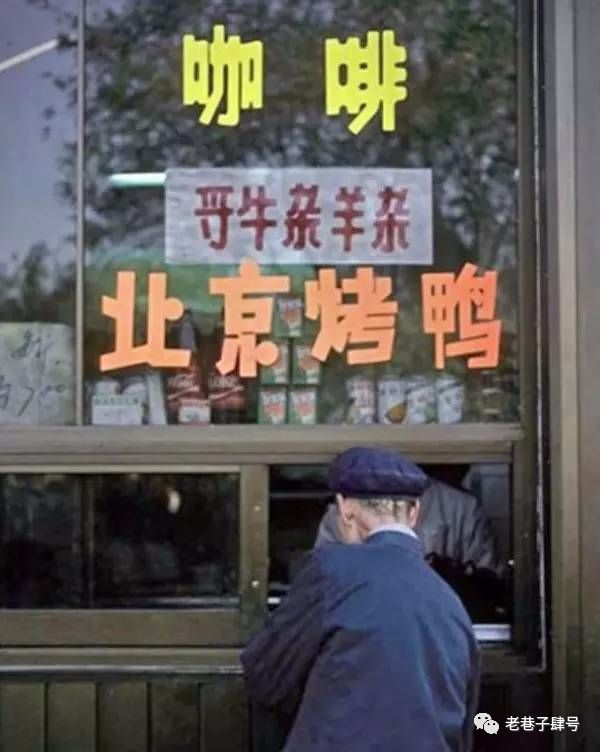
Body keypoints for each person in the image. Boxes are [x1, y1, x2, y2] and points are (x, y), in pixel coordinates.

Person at [242, 447, 481, 752]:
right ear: (413, 513)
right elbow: (464, 726)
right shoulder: (450, 603)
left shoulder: (330, 570)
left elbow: (266, 674)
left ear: (345, 509)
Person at [315, 463, 501, 574]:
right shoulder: (337, 516)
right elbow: (322, 582)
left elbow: (487, 583)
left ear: (413, 512)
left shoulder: (461, 507)